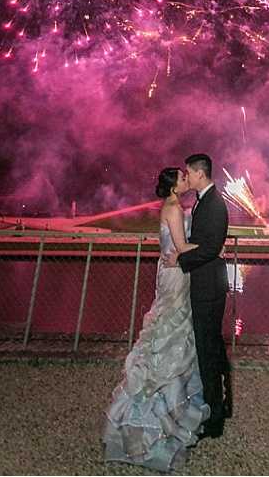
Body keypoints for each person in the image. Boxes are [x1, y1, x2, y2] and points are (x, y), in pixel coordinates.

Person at [103, 167, 209, 472]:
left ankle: (171, 408)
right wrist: (214, 246)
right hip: (176, 275)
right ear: (174, 186)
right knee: (169, 331)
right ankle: (155, 421)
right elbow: (181, 247)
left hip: (176, 273)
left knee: (171, 331)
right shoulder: (174, 209)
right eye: (182, 175)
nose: (187, 176)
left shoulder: (175, 206)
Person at [164, 153, 231, 439]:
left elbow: (206, 249)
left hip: (208, 288)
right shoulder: (206, 201)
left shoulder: (213, 204)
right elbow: (208, 246)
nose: (186, 178)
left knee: (207, 350)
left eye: (188, 173)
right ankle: (223, 404)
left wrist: (179, 259)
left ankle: (214, 418)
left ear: (199, 174)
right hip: (208, 284)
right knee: (213, 346)